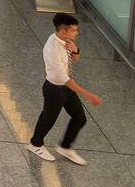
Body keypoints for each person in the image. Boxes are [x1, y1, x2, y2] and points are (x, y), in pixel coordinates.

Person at [27, 13, 101, 166]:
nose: (77, 33)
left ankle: (65, 147)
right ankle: (35, 144)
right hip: (54, 89)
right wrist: (89, 95)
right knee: (48, 119)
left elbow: (75, 60)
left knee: (80, 118)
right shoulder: (52, 49)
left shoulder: (65, 41)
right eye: (74, 30)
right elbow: (65, 80)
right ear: (63, 31)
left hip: (66, 88)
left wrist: (76, 51)